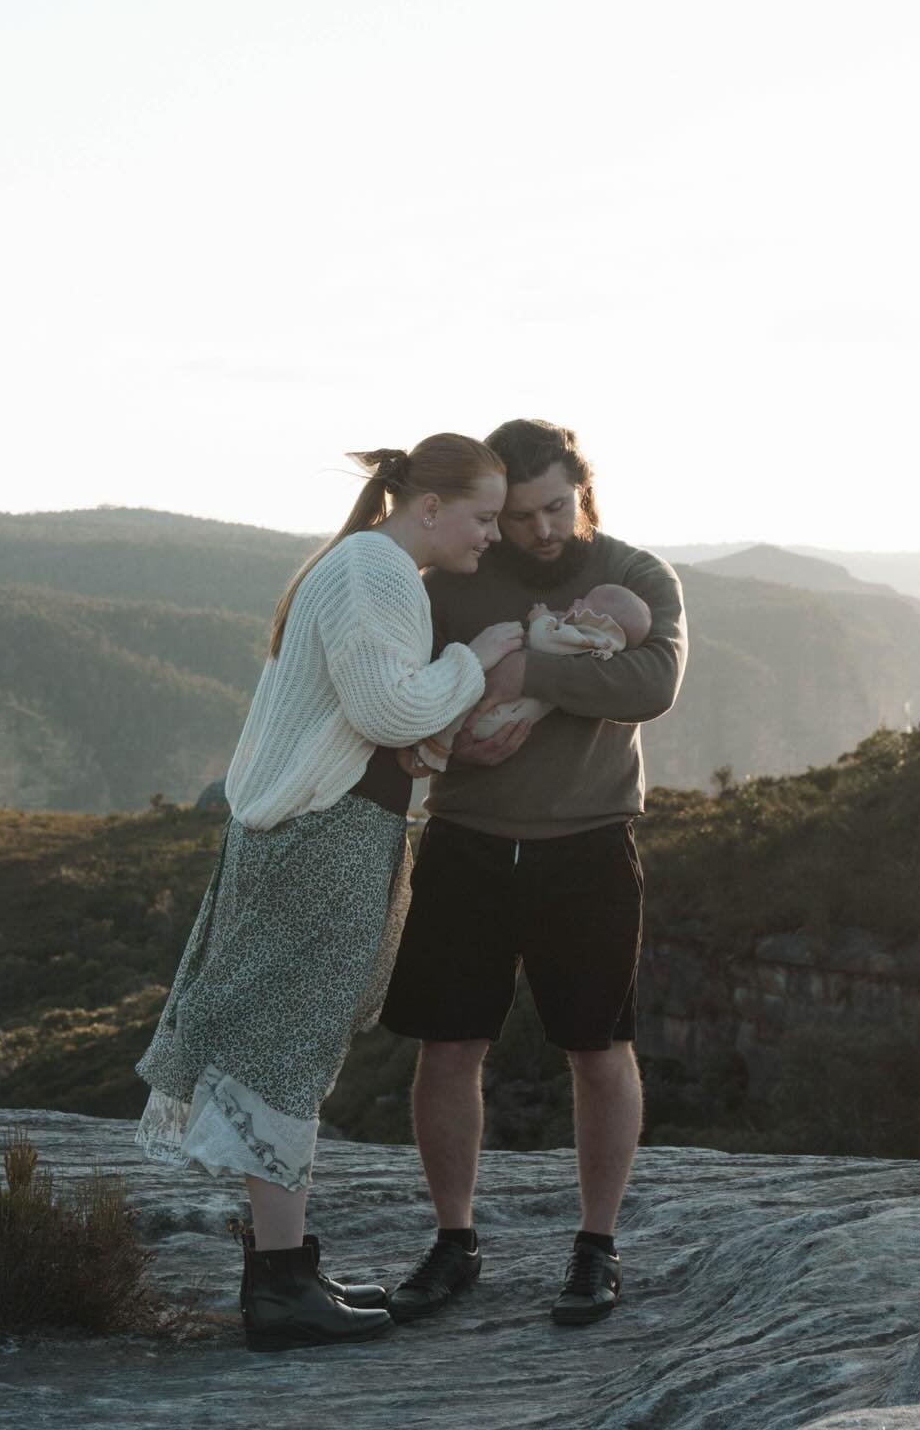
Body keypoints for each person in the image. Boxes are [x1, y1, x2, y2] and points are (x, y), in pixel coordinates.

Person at [133, 434, 525, 1352]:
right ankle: (278, 1289)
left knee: (289, 1041)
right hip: (324, 833)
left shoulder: (374, 568)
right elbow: (388, 711)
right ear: (429, 506)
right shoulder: (377, 572)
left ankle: (287, 1266)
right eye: (483, 517)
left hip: (325, 829)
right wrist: (479, 658)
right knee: (286, 1046)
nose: (491, 537)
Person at [380, 418, 687, 1329]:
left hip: (587, 843)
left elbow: (653, 685)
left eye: (557, 507)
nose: (541, 530)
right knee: (448, 1046)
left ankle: (596, 1248)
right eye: (519, 516)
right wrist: (474, 720)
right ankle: (453, 1240)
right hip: (468, 838)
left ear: (581, 491)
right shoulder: (453, 580)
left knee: (597, 1051)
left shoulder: (637, 575)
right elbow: (405, 701)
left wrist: (529, 674)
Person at [412, 583, 653, 771]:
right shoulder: (598, 646)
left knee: (462, 712)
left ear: (599, 620)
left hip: (500, 714)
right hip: (508, 720)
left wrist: (542, 617)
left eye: (584, 602)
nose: (576, 600)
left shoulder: (583, 638)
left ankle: (432, 750)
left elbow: (543, 640)